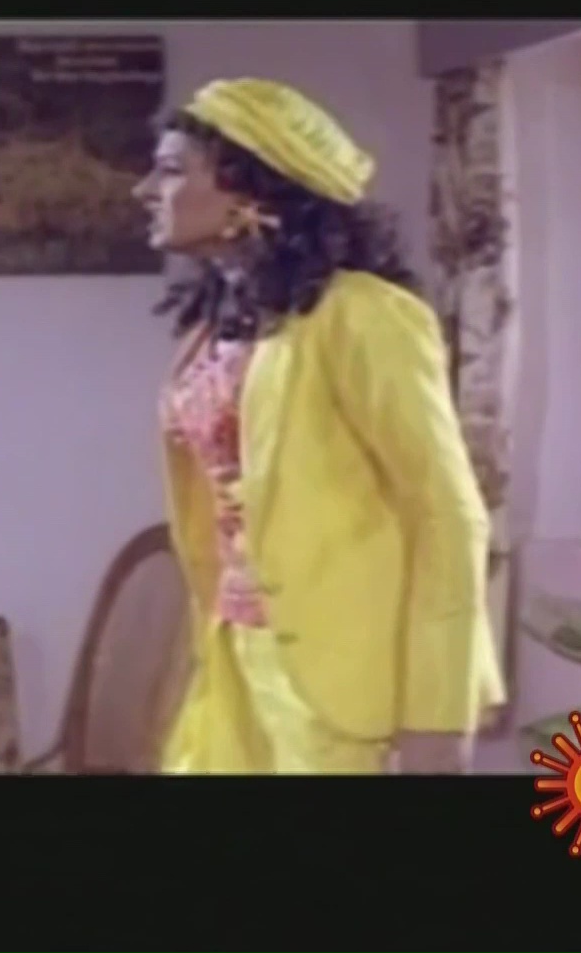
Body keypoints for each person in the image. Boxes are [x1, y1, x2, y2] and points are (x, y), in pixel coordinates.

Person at [132, 77, 504, 774]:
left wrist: (438, 712)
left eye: (173, 170)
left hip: (342, 677)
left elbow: (446, 513)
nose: (145, 190)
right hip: (236, 651)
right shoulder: (220, 324)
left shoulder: (363, 314)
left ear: (251, 188)